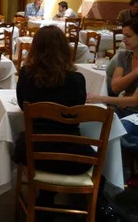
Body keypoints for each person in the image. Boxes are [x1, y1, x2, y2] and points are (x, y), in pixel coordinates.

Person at [12, 26, 95, 206]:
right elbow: (77, 110)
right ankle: (79, 203)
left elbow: (22, 105)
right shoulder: (77, 79)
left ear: (35, 48)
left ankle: (45, 198)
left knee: (21, 142)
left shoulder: (27, 75)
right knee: (92, 152)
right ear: (65, 49)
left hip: (34, 153)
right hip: (72, 156)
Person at [87, 18, 138, 152]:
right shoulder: (123, 56)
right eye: (123, 35)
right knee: (92, 122)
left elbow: (134, 100)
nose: (124, 40)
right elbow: (115, 87)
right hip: (121, 110)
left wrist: (101, 98)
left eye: (128, 36)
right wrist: (135, 73)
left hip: (135, 115)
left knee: (117, 135)